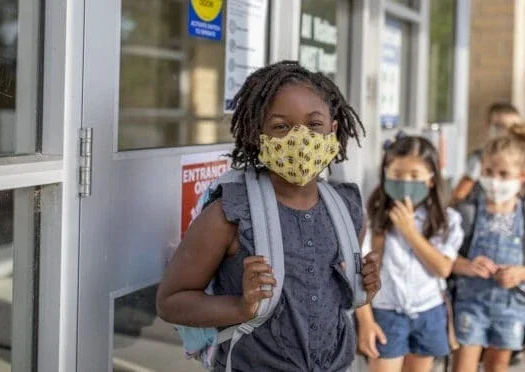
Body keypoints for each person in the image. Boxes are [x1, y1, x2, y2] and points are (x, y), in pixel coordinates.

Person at [155, 61, 382, 372]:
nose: (299, 139)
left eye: (314, 124)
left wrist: (362, 288)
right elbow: (171, 301)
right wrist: (240, 306)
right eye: (280, 126)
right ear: (256, 135)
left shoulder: (347, 209)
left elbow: (329, 298)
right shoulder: (229, 214)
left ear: (334, 129)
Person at [356, 134, 464, 372]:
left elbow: (442, 268)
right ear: (385, 174)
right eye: (397, 174)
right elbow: (359, 273)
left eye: (415, 176)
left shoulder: (447, 220)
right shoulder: (371, 218)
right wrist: (366, 322)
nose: (405, 182)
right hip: (386, 312)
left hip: (429, 312)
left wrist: (409, 231)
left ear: (431, 180)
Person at [450, 125, 525, 372]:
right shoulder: (467, 213)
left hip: (510, 308)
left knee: (498, 366)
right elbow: (445, 259)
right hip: (470, 305)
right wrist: (467, 266)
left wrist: (520, 274)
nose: (495, 180)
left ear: (522, 176)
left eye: (504, 174)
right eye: (488, 172)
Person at [451, 103, 525, 206]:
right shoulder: (480, 158)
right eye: (499, 126)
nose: (506, 132)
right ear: (487, 126)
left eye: (513, 127)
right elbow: (459, 195)